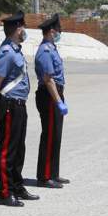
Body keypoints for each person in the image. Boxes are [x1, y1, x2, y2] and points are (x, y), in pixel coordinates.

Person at [0, 11, 38, 206]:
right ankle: (5, 191)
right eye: (23, 27)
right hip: (9, 105)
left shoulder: (15, 50)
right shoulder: (7, 53)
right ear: (17, 30)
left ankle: (17, 185)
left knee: (18, 148)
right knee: (6, 149)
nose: (24, 31)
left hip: (19, 105)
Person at [33, 14, 70, 189]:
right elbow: (48, 79)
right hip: (49, 95)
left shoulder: (52, 48)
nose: (59, 34)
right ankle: (44, 176)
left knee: (56, 135)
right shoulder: (45, 51)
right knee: (49, 136)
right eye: (58, 31)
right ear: (52, 31)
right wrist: (58, 101)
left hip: (55, 94)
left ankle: (53, 172)